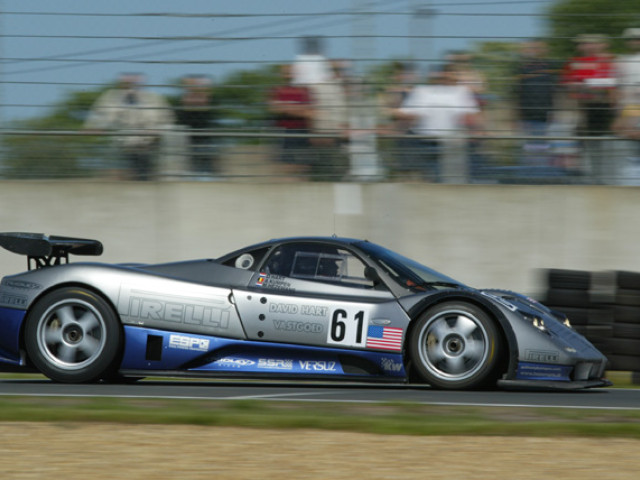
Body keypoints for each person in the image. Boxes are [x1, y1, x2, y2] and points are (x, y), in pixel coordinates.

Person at [395, 63, 482, 183]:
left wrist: (475, 130)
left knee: (447, 177)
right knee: (428, 176)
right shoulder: (422, 91)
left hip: (449, 143)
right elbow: (408, 114)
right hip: (424, 141)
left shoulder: (461, 92)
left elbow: (470, 116)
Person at [84, 73, 174, 181]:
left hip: (148, 146)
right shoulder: (112, 98)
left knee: (145, 174)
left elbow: (167, 119)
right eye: (128, 84)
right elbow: (100, 114)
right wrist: (93, 126)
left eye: (134, 83)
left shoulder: (154, 99)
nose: (131, 88)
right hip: (124, 147)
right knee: (125, 173)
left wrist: (157, 131)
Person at [561, 34, 617, 183]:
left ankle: (603, 178)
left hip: (603, 109)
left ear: (602, 45)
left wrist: (585, 84)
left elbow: (612, 84)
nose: (588, 46)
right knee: (581, 144)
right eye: (583, 44)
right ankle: (586, 178)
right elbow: (567, 85)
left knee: (603, 145)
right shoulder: (573, 63)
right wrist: (592, 86)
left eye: (592, 43)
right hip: (580, 109)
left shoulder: (609, 61)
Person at [292, 36, 348, 179]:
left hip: (317, 96)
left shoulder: (301, 60)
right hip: (319, 95)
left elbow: (298, 83)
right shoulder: (314, 61)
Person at [513, 39, 559, 169]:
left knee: (543, 146)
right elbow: (516, 93)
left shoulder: (551, 68)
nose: (534, 51)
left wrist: (555, 112)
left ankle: (541, 172)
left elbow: (555, 91)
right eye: (531, 48)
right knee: (528, 147)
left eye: (538, 48)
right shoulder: (521, 69)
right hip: (526, 117)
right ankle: (529, 173)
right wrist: (516, 117)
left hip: (546, 117)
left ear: (545, 51)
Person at [268, 64, 314, 179]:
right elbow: (273, 108)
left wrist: (286, 108)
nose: (288, 74)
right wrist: (300, 110)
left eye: (291, 72)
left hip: (303, 131)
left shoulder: (304, 90)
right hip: (284, 132)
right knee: (286, 166)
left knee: (303, 166)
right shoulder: (277, 90)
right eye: (286, 72)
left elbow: (311, 112)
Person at [175, 75, 218, 179]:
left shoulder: (204, 98)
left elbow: (205, 102)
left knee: (206, 167)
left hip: (204, 139)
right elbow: (183, 113)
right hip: (190, 140)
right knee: (193, 167)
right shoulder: (186, 99)